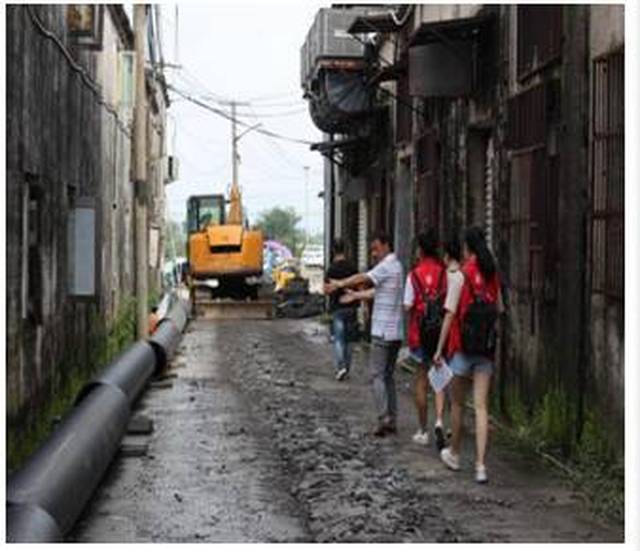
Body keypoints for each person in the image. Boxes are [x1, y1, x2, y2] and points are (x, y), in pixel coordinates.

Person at [433, 227, 503, 484]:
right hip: (485, 349)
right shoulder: (492, 274)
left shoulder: (460, 276)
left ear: (467, 249)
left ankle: (454, 454)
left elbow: (450, 314)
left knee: (459, 404)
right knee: (482, 407)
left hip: (462, 348)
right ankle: (481, 467)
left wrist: (439, 350)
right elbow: (499, 309)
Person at [326, 231, 404, 437]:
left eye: (376, 248)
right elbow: (377, 292)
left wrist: (340, 284)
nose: (374, 253)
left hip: (382, 331)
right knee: (388, 376)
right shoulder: (397, 267)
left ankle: (383, 418)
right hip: (395, 332)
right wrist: (356, 295)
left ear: (387, 245)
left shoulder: (386, 266)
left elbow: (364, 277)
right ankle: (392, 418)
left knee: (377, 375)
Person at [403, 228, 448, 448]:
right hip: (440, 333)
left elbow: (407, 305)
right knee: (439, 379)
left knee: (421, 380)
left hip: (419, 334)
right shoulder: (444, 272)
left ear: (420, 250)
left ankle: (423, 430)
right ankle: (439, 421)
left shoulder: (414, 275)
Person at [323, 238, 358, 381]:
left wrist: (334, 289)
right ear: (345, 249)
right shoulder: (352, 267)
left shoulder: (331, 269)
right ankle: (347, 369)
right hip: (351, 307)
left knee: (338, 339)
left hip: (337, 308)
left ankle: (341, 367)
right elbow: (360, 286)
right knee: (349, 340)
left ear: (333, 251)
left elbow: (325, 290)